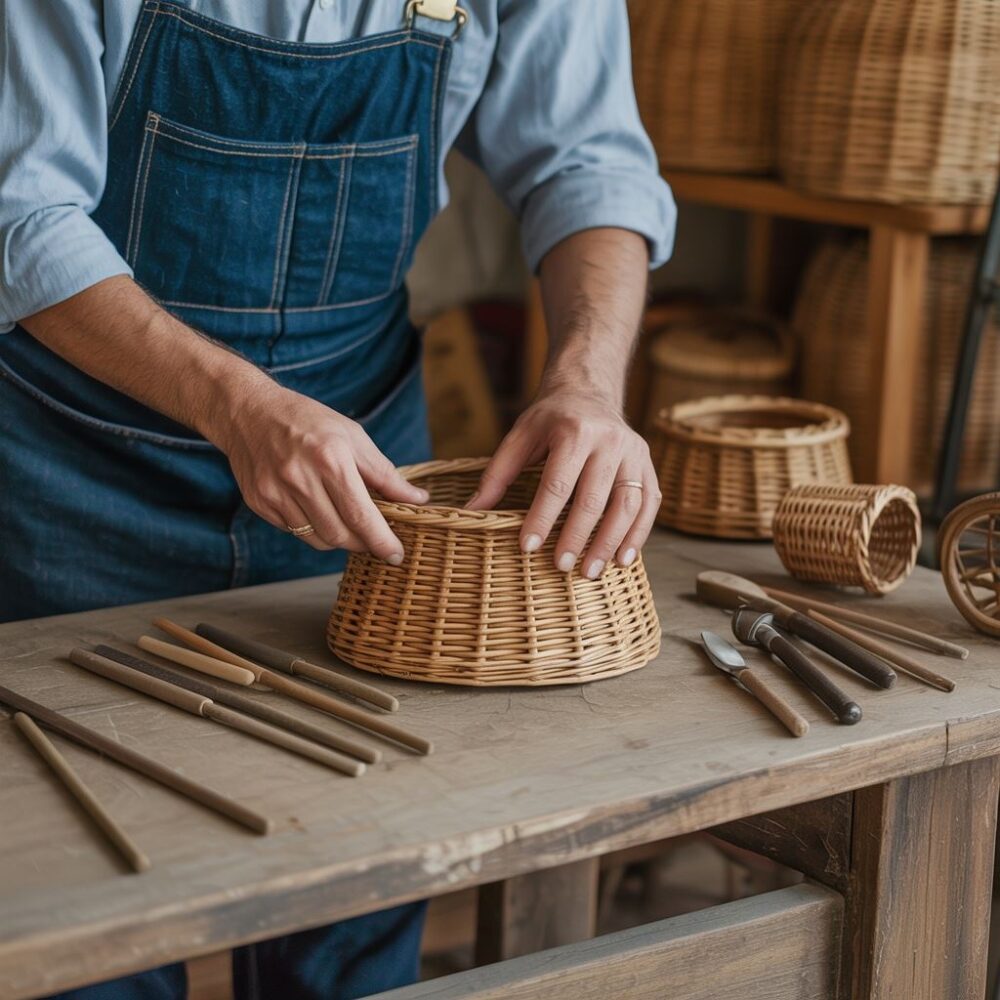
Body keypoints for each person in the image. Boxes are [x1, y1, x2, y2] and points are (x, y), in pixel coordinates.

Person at [0, 0, 675, 996]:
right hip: (77, 468)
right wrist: (238, 405)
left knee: (357, 891)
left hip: (366, 480)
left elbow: (588, 162)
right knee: (85, 907)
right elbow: (19, 207)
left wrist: (584, 380)